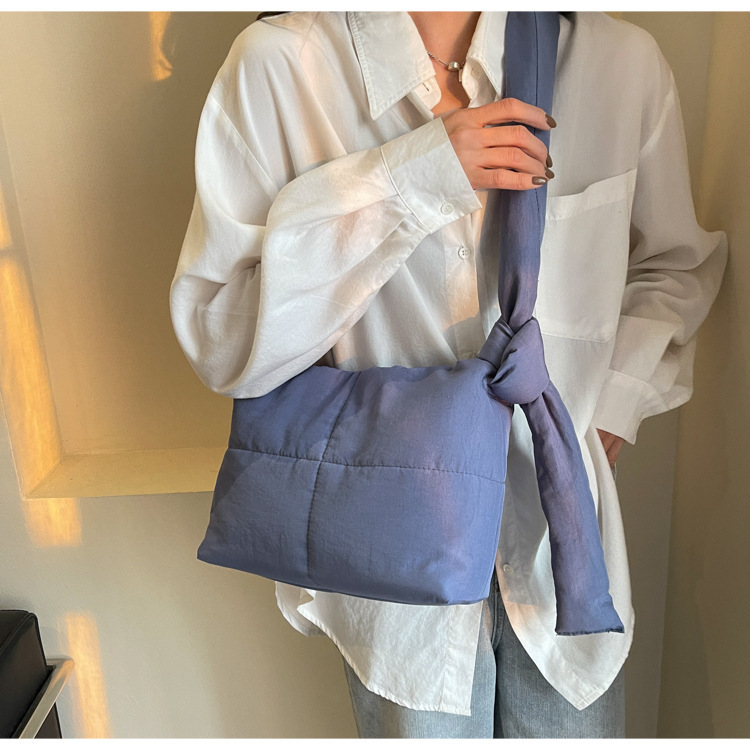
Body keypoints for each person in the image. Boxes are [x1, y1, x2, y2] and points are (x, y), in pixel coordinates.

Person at [170, 11, 727, 739]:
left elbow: (672, 267)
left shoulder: (620, 65)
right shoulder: (279, 70)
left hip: (561, 542)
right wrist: (415, 177)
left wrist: (613, 407)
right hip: (391, 561)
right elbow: (223, 338)